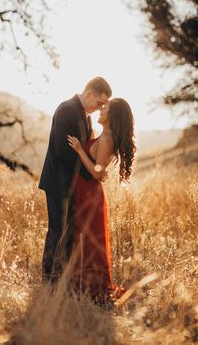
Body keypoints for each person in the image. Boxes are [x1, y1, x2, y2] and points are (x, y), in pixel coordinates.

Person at [38, 77, 112, 284]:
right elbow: (62, 151)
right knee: (57, 232)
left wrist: (97, 169)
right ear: (89, 94)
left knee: (69, 233)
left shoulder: (86, 116)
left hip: (72, 185)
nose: (99, 109)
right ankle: (49, 282)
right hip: (57, 183)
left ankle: (63, 281)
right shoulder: (66, 109)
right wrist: (92, 174)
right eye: (99, 103)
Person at [67, 98, 136, 303]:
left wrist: (80, 150)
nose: (100, 109)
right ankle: (79, 287)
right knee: (83, 240)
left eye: (104, 108)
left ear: (112, 116)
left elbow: (98, 173)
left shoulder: (107, 138)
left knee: (88, 241)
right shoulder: (102, 135)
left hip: (89, 193)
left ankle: (91, 290)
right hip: (84, 191)